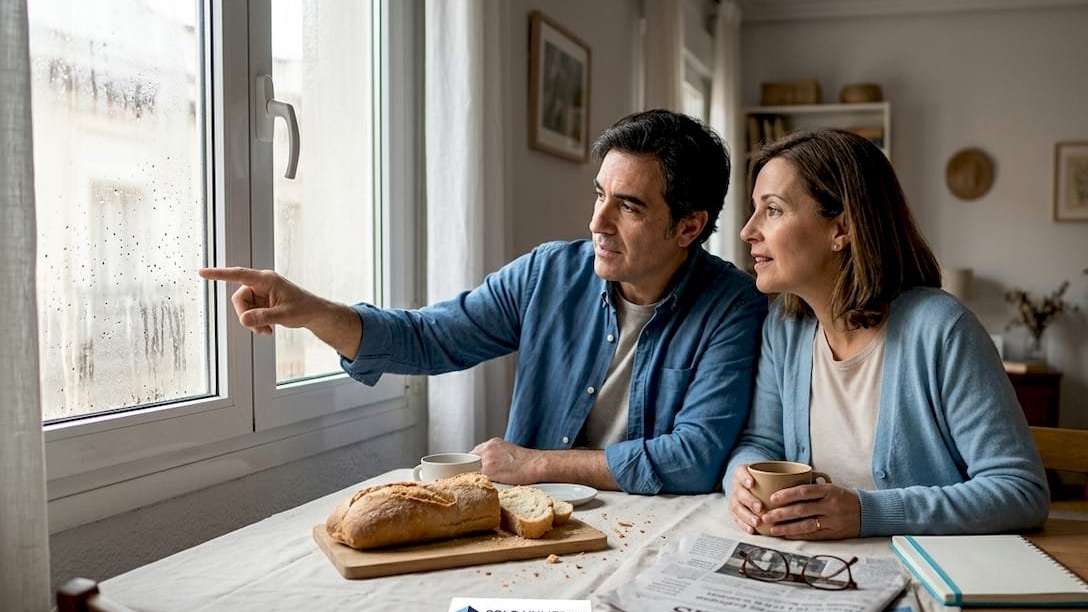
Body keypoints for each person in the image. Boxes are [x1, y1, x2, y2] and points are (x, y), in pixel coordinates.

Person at [201, 109, 767, 495]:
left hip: (657, 529)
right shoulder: (549, 272)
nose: (597, 222)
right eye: (598, 195)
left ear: (690, 226)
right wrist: (312, 311)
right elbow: (430, 338)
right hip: (539, 527)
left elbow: (696, 456)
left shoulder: (733, 305)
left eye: (629, 206)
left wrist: (536, 463)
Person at [723, 129, 1049, 539]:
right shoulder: (786, 327)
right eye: (755, 209)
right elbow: (760, 441)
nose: (748, 231)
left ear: (840, 228)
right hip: (816, 567)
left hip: (928, 574)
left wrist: (866, 512)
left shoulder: (943, 329)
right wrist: (743, 478)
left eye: (772, 210)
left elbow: (1020, 491)